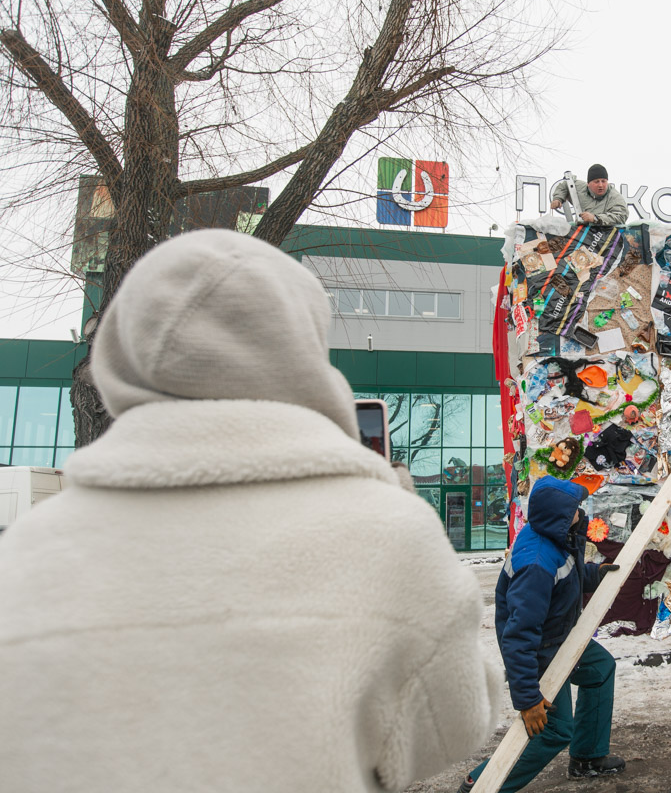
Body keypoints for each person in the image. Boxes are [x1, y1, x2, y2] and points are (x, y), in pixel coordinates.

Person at [0, 230, 502, 791]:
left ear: (121, 349)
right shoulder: (385, 531)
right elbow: (456, 725)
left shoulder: (25, 548)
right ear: (300, 345)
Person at [457, 476, 624, 792]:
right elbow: (519, 635)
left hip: (559, 635)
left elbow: (565, 579)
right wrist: (527, 698)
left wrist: (594, 574)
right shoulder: (536, 562)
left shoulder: (557, 537)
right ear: (558, 515)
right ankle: (482, 784)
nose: (580, 511)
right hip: (539, 651)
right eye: (574, 508)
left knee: (600, 669)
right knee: (553, 729)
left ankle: (587, 758)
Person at [550, 163, 628, 225]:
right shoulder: (579, 187)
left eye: (603, 181)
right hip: (580, 235)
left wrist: (595, 218)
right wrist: (558, 199)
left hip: (605, 238)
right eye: (596, 181)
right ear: (588, 184)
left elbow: (621, 216)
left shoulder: (614, 196)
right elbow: (564, 186)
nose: (600, 185)